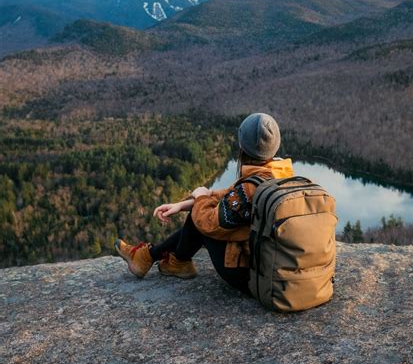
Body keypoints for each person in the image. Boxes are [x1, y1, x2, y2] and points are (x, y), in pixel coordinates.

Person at [115, 113, 294, 293]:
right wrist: (182, 205)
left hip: (249, 276)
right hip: (280, 274)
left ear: (242, 146)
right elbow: (227, 197)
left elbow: (208, 222)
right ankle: (160, 258)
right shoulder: (283, 176)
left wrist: (200, 198)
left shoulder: (250, 187)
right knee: (205, 211)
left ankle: (164, 259)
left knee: (201, 218)